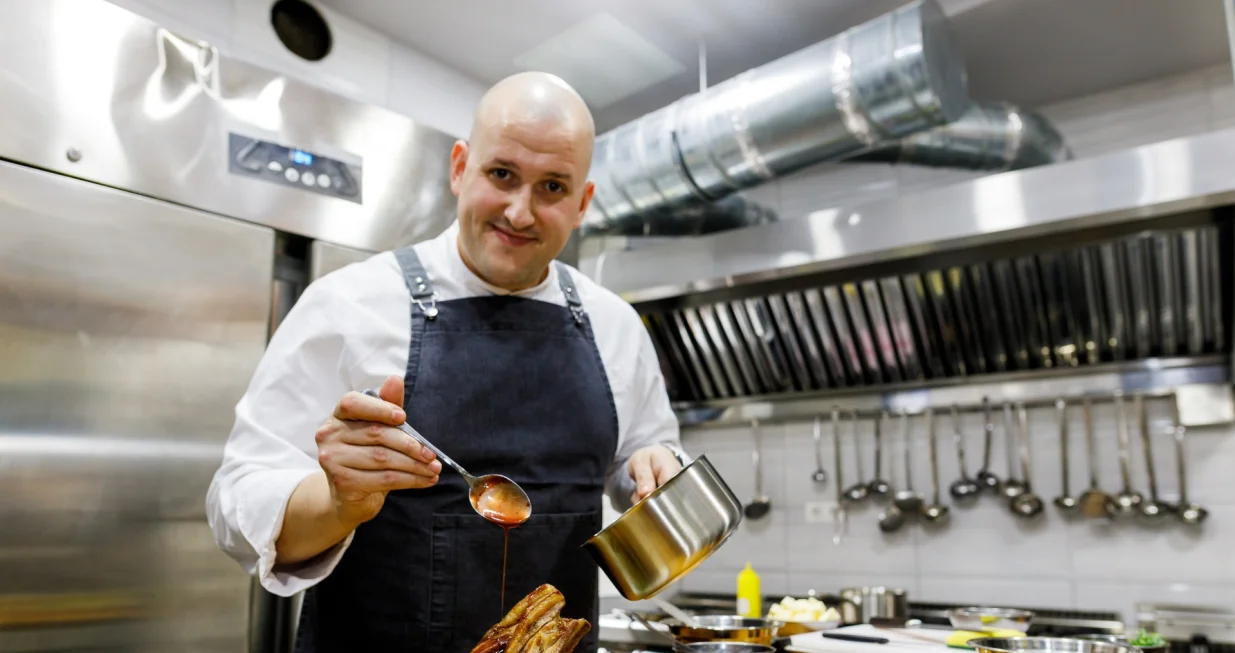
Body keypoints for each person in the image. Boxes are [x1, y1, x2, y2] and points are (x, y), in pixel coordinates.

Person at [205, 71, 687, 653]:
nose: (520, 212)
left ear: (583, 202)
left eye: (553, 187)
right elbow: (237, 504)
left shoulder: (616, 327)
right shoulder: (349, 303)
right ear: (461, 168)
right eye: (502, 174)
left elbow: (643, 460)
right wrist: (338, 503)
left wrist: (655, 468)